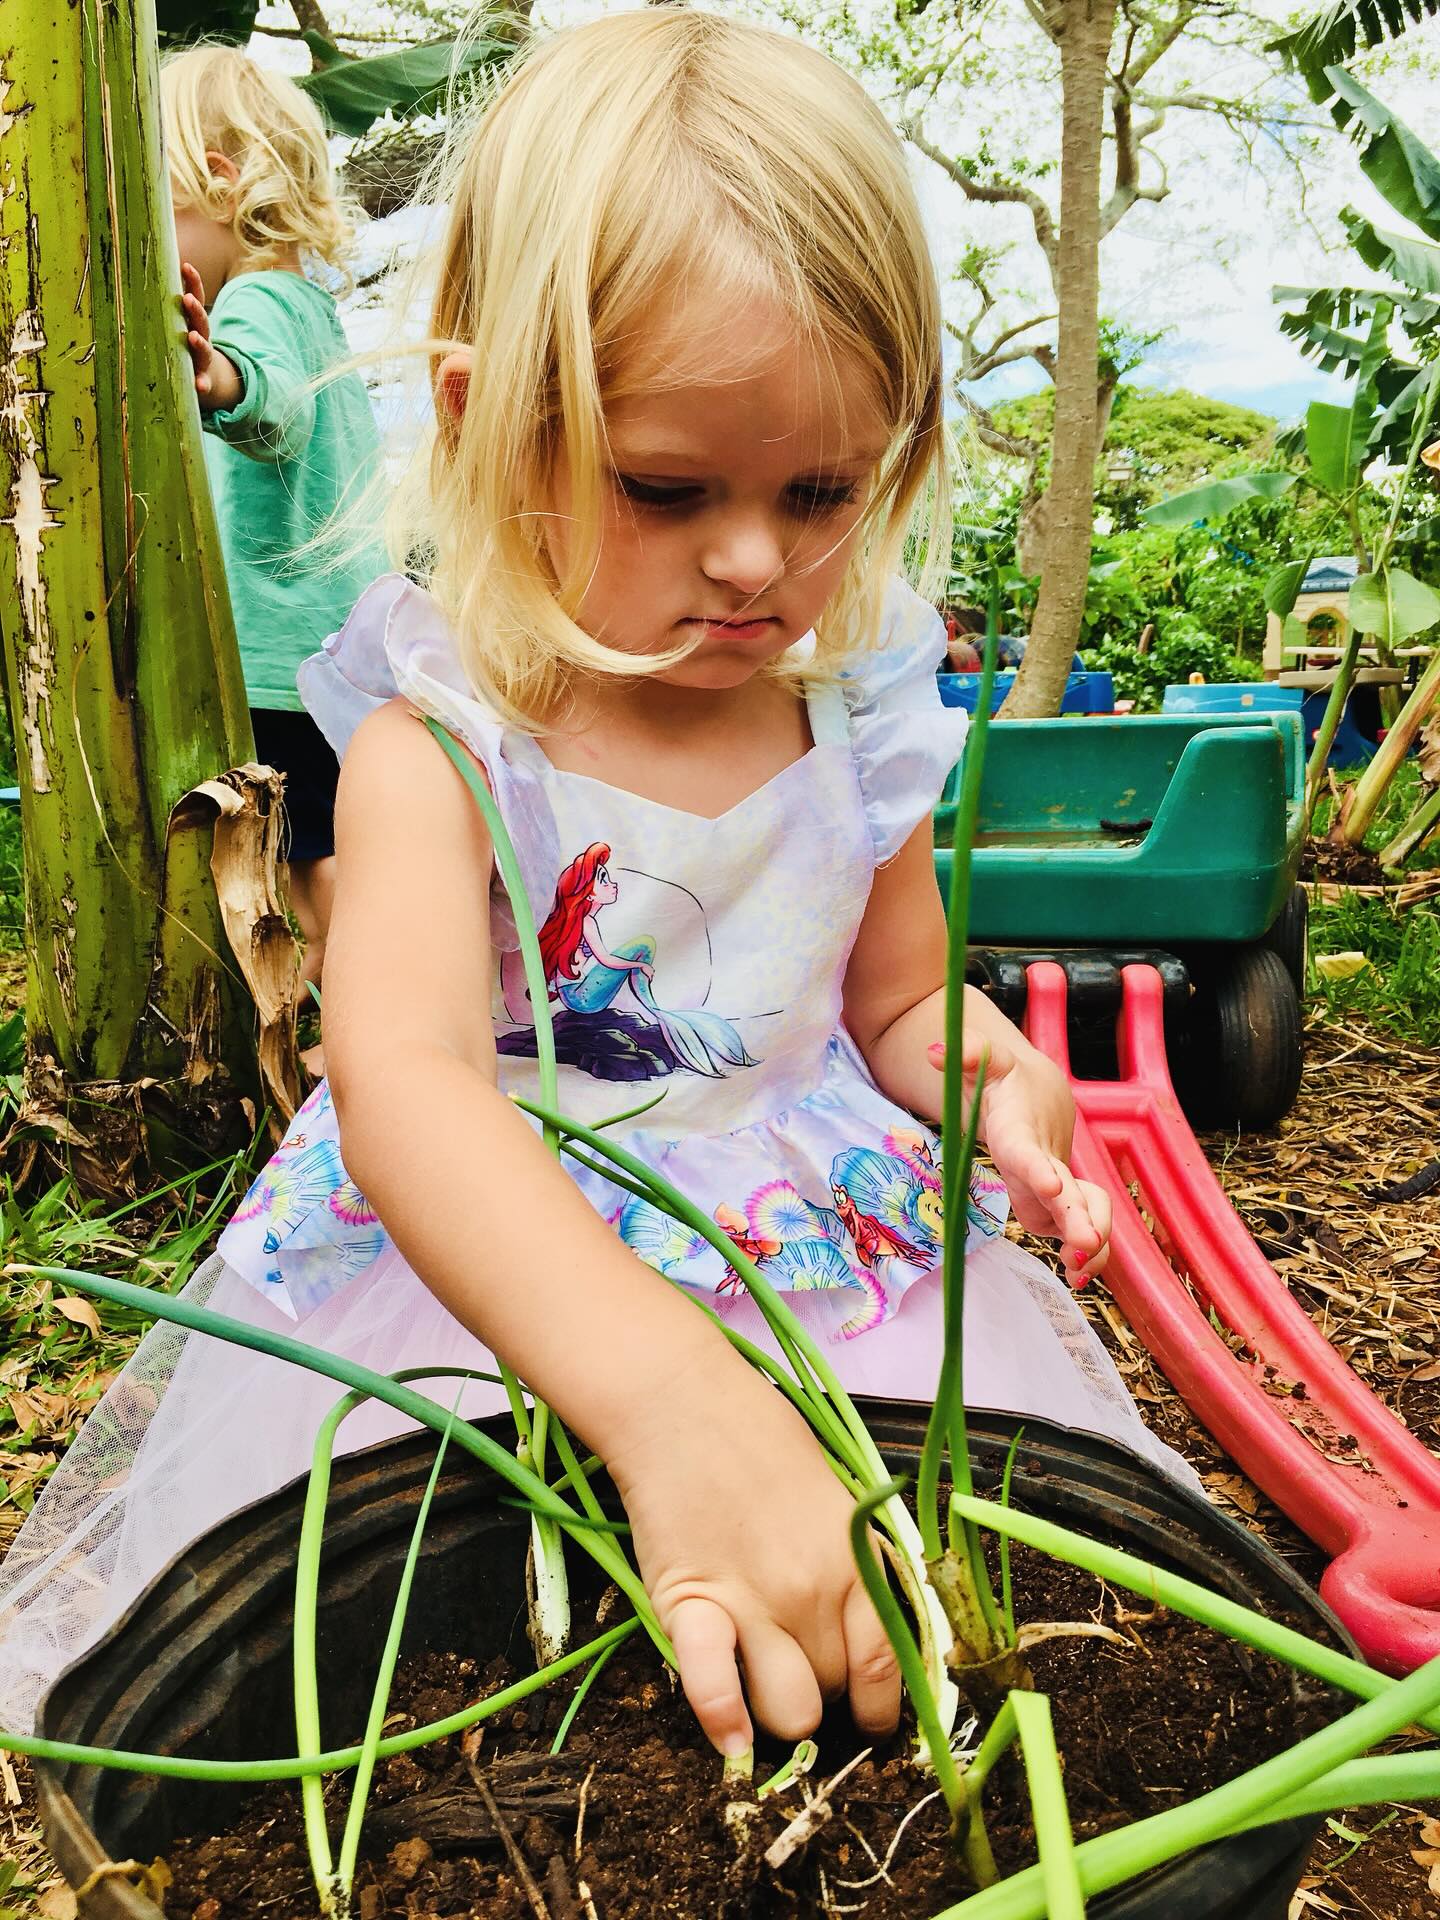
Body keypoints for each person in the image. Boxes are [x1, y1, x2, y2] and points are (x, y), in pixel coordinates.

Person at [0, 10, 1193, 1748]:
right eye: (665, 486)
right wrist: (658, 1393)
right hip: (486, 1282)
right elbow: (403, 1081)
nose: (751, 559)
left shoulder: (856, 729)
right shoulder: (447, 750)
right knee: (470, 1655)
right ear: (499, 425)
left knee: (881, 1622)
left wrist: (995, 1084)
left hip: (816, 1266)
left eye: (821, 489)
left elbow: (900, 1001)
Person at [162, 47, 389, 987]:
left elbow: (274, 406)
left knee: (311, 859)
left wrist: (216, 377)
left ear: (220, 180)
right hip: (328, 644)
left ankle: (369, 1017)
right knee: (326, 848)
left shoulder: (255, 302)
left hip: (283, 655)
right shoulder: (313, 305)